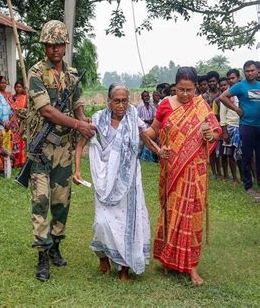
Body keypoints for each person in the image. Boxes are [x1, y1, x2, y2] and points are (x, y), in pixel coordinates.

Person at [26, 20, 95, 281]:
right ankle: (42, 254)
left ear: (65, 46)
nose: (55, 49)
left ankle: (55, 245)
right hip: (41, 149)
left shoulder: (73, 75)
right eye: (50, 44)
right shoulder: (36, 72)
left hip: (64, 149)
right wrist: (78, 123)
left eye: (59, 44)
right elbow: (46, 111)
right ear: (45, 45)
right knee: (40, 201)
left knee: (61, 201)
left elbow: (77, 106)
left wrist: (84, 120)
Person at [144, 67, 221, 285]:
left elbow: (216, 132)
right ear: (174, 86)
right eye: (180, 89)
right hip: (171, 170)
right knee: (171, 213)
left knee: (193, 215)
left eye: (189, 90)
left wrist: (210, 134)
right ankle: (168, 261)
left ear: (196, 88)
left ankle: (192, 267)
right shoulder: (166, 105)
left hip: (196, 171)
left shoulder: (201, 105)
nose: (185, 94)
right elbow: (153, 131)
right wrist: (146, 138)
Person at [74, 84, 155, 281]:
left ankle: (123, 268)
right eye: (116, 101)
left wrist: (161, 151)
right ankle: (103, 255)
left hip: (129, 181)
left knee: (128, 223)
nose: (121, 105)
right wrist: (76, 170)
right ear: (109, 101)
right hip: (104, 180)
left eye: (124, 100)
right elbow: (80, 145)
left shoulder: (133, 117)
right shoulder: (98, 119)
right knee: (102, 223)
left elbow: (147, 139)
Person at [219, 60, 260, 196]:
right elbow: (222, 97)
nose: (250, 73)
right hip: (246, 125)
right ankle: (248, 185)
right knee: (247, 156)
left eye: (252, 70)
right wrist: (236, 109)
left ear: (257, 71)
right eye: (247, 71)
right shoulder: (240, 86)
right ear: (244, 72)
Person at [137, 90, 157, 161]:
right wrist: (145, 120)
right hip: (142, 128)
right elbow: (137, 118)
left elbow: (155, 116)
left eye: (147, 96)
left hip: (150, 127)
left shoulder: (152, 106)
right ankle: (138, 158)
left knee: (150, 143)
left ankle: (151, 159)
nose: (146, 98)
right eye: (145, 96)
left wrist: (152, 120)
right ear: (142, 98)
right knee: (141, 144)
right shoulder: (140, 106)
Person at [11, 81, 27, 167]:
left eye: (20, 87)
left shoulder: (25, 98)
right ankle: (15, 161)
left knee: (22, 141)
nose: (18, 88)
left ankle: (22, 160)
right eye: (16, 87)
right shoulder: (12, 97)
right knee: (14, 141)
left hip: (21, 122)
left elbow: (26, 110)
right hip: (13, 123)